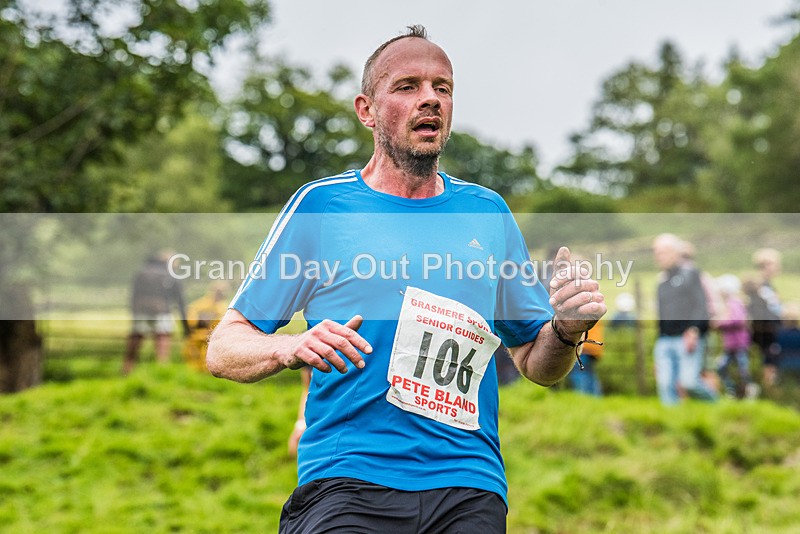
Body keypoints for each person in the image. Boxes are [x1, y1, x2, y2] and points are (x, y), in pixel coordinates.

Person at [207, 25, 606, 533]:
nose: (430, 100)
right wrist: (290, 346)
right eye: (407, 86)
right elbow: (223, 348)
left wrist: (568, 330)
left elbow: (535, 361)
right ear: (366, 110)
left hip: (468, 483)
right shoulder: (323, 206)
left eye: (443, 87)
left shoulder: (487, 213)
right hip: (348, 479)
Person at [651, 234, 716, 405]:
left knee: (689, 382)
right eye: (656, 252)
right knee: (665, 385)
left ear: (675, 252)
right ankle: (673, 424)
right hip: (665, 340)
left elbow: (700, 305)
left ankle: (717, 405)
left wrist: (694, 329)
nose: (659, 256)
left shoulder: (691, 274)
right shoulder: (661, 280)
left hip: (687, 337)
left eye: (663, 252)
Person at [123, 250, 188, 375]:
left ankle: (127, 367)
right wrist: (185, 326)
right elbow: (180, 302)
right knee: (162, 337)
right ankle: (162, 368)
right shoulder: (170, 276)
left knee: (136, 338)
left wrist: (134, 312)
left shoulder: (142, 272)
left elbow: (134, 295)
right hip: (162, 311)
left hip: (141, 311)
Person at [712, 274, 758, 399]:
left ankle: (749, 390)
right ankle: (732, 390)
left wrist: (720, 323)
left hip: (738, 344)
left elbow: (737, 320)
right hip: (731, 344)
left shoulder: (734, 303)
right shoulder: (729, 303)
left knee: (742, 369)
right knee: (722, 367)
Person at [745, 248, 783, 389]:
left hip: (770, 331)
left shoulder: (767, 286)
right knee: (769, 362)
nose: (778, 268)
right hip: (765, 332)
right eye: (775, 264)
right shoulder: (759, 287)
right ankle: (768, 391)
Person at [182, 281, 229, 372]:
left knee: (207, 350)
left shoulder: (222, 307)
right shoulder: (204, 302)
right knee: (192, 349)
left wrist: (212, 331)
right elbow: (192, 311)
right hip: (197, 333)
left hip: (211, 335)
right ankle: (193, 369)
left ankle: (205, 369)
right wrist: (192, 326)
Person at [568, 320, 604, 396]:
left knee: (579, 373)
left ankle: (582, 396)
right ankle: (595, 398)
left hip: (584, 348)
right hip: (592, 347)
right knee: (589, 374)